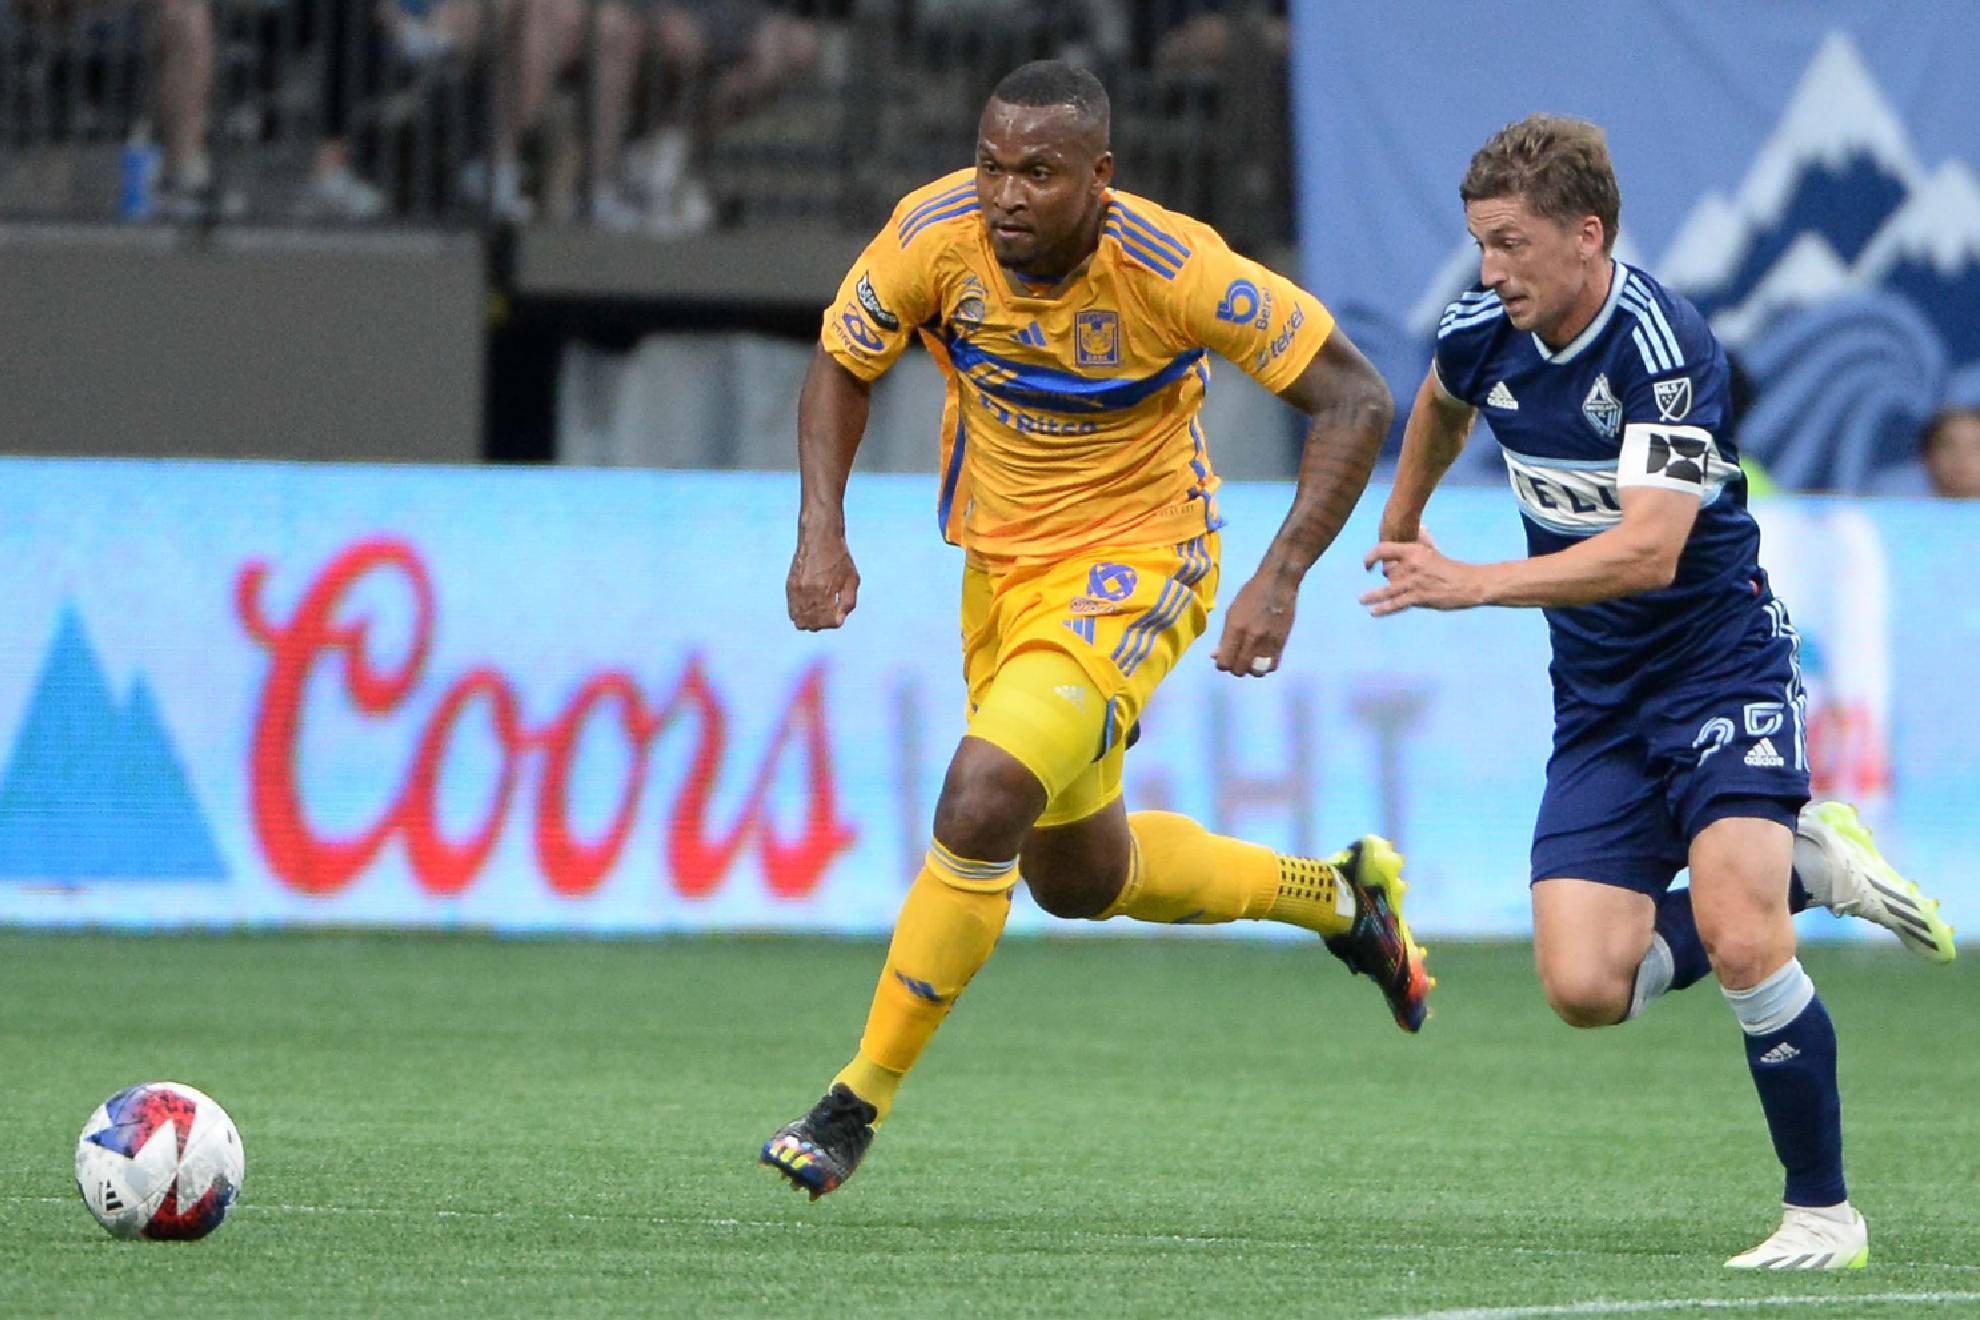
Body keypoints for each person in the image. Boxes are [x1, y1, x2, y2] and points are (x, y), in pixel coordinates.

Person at [759, 59, 1425, 1200]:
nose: (1005, 194)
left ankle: (851, 1104)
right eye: (990, 166)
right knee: (1078, 876)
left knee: (980, 799)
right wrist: (821, 528)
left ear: (1100, 177)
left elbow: (1356, 398)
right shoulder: (933, 236)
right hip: (1001, 573)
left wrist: (1281, 575)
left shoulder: (1176, 268)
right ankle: (1341, 899)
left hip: (1142, 564)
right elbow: (841, 359)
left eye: (1038, 172)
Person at [1361, 114, 1958, 1269]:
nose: (1490, 269)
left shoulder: (1666, 348)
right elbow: (1438, 401)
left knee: (1742, 941)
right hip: (1598, 698)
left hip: (1715, 665)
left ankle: (1825, 1216)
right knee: (1586, 987)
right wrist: (1401, 516)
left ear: (1588, 235)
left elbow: (1650, 552)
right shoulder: (1485, 326)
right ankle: (1806, 862)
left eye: (1511, 243)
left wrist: (1472, 582)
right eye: (1480, 243)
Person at [1921, 404, 1980, 498]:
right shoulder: (1899, 510)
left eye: (1976, 446)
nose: (1962, 458)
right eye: (1948, 446)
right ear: (1927, 458)